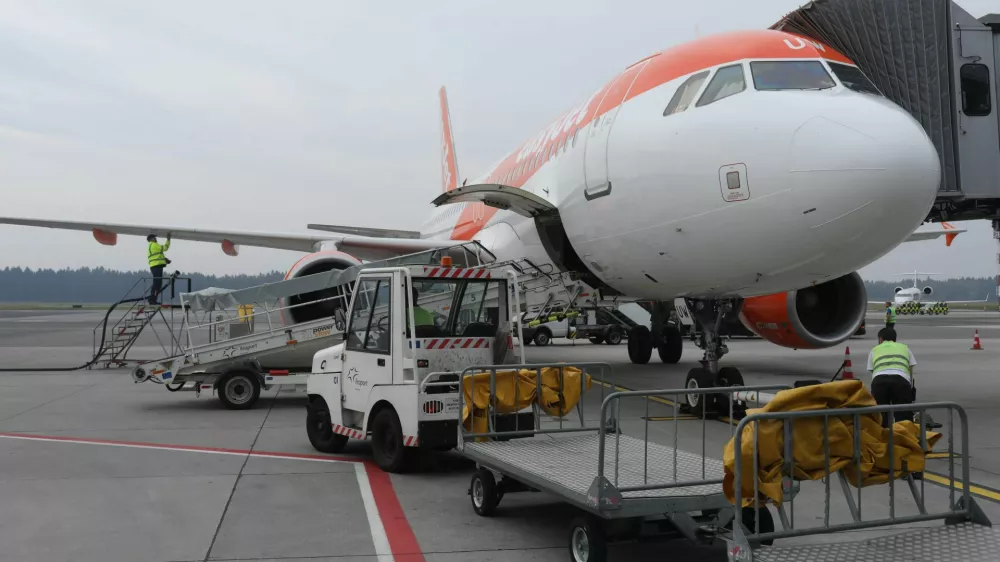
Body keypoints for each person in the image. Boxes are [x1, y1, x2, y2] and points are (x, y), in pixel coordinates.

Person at [866, 327, 916, 426]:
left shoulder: (874, 350)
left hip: (879, 381)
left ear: (881, 339)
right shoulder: (905, 348)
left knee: (880, 415)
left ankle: (883, 434)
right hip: (901, 380)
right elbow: (910, 368)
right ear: (895, 338)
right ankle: (903, 434)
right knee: (903, 415)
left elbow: (872, 370)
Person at [147, 233, 171, 305]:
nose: (156, 239)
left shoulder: (151, 246)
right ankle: (152, 299)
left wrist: (164, 259)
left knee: (157, 283)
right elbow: (165, 248)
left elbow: (157, 255)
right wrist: (168, 240)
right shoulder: (154, 245)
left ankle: (153, 299)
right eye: (154, 238)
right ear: (151, 239)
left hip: (155, 266)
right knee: (157, 283)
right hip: (156, 266)